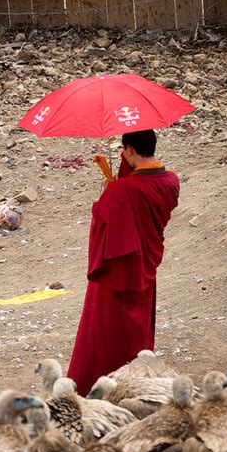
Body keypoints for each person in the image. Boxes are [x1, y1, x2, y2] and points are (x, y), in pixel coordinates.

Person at [67, 129, 179, 397]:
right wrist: (117, 185)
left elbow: (105, 223)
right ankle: (139, 378)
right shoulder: (171, 181)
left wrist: (107, 193)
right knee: (138, 326)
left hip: (116, 273)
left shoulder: (120, 190)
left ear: (129, 150)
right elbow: (141, 191)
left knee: (105, 333)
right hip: (145, 269)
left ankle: (94, 386)